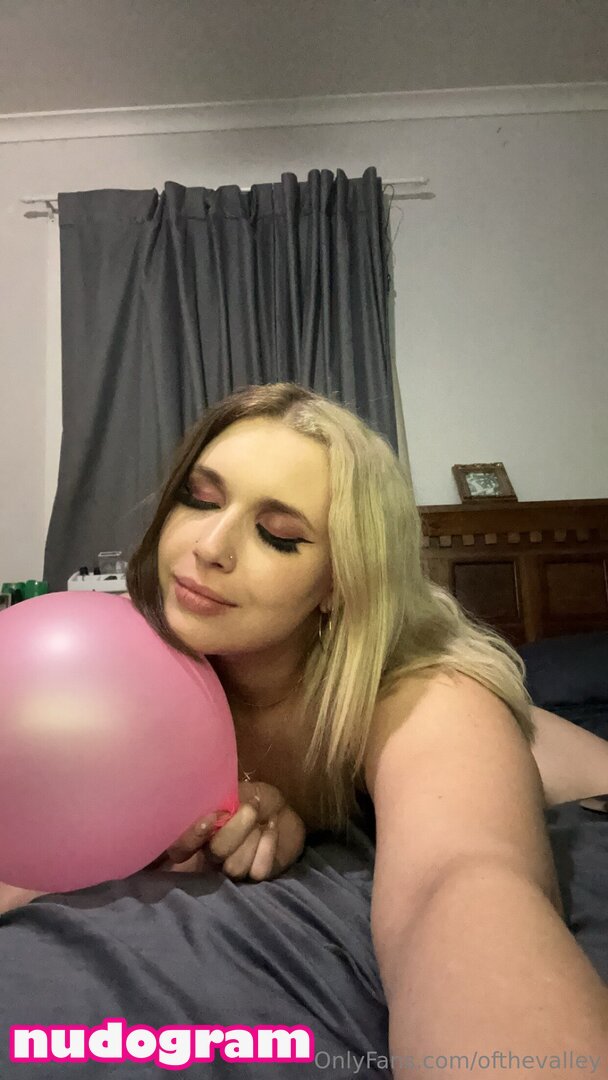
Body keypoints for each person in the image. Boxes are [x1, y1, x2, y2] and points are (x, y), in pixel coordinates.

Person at [2, 382, 608, 1070]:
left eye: (279, 535)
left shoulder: (424, 696)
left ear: (337, 583)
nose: (211, 546)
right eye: (200, 499)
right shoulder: (134, 670)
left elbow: (463, 880)